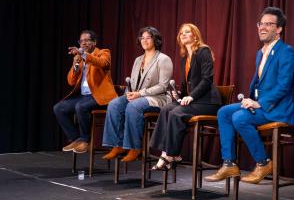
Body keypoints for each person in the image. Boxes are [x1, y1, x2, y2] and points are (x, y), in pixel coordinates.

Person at [204, 7, 294, 184]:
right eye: (261, 24)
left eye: (269, 24)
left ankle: (263, 162)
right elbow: (260, 84)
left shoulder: (286, 52)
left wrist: (260, 103)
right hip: (261, 104)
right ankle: (229, 163)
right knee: (224, 112)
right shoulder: (260, 53)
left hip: (279, 108)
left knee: (240, 118)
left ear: (279, 29)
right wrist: (249, 100)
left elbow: (284, 86)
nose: (263, 27)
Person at [149, 23, 222, 170]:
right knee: (166, 109)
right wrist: (179, 95)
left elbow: (207, 79)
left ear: (195, 36)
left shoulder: (203, 51)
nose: (183, 34)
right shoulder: (184, 58)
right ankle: (167, 153)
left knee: (176, 113)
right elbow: (186, 85)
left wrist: (192, 96)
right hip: (195, 100)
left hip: (208, 102)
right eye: (181, 32)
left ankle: (170, 154)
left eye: (187, 32)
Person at [101, 26, 173, 162]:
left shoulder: (163, 59)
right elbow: (133, 84)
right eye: (142, 37)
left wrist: (139, 94)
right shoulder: (138, 60)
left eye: (148, 37)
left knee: (133, 107)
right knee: (114, 104)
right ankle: (117, 145)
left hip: (157, 98)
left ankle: (134, 147)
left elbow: (163, 86)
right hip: (138, 96)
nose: (144, 40)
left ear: (156, 40)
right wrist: (130, 94)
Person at [54, 30, 117, 153]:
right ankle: (76, 138)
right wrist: (76, 65)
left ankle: (85, 140)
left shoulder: (103, 53)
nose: (83, 43)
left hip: (99, 96)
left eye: (86, 40)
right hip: (84, 97)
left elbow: (102, 63)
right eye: (81, 41)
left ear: (94, 42)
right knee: (58, 108)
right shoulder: (80, 58)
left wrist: (83, 54)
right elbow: (71, 81)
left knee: (80, 106)